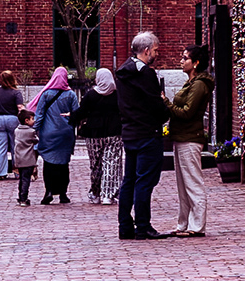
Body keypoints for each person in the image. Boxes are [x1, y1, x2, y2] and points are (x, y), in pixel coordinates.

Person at [114, 31, 167, 239]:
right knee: (145, 181)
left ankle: (125, 225)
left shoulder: (122, 71)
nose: (156, 54)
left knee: (129, 180)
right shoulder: (146, 74)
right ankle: (143, 225)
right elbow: (155, 104)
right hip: (147, 132)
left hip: (130, 132)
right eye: (155, 50)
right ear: (146, 50)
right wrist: (165, 111)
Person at [160, 55, 212, 239]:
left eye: (185, 58)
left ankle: (197, 225)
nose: (181, 61)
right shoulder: (190, 83)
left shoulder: (199, 85)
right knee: (183, 185)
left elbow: (188, 112)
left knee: (193, 182)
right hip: (182, 137)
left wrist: (166, 102)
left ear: (196, 62)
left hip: (190, 138)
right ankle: (184, 223)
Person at [33, 67, 80, 206]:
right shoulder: (71, 94)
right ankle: (63, 193)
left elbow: (39, 114)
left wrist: (34, 130)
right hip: (65, 134)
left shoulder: (46, 94)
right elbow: (76, 114)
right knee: (63, 164)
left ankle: (48, 191)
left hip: (48, 133)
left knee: (49, 163)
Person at [82, 65, 122, 208]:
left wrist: (72, 117)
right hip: (114, 132)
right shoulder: (118, 95)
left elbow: (82, 111)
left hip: (94, 133)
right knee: (112, 163)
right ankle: (108, 195)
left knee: (96, 164)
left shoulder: (90, 95)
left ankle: (96, 192)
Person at [0, 71, 23, 182]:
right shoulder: (16, 93)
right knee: (15, 146)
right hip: (12, 118)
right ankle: (17, 171)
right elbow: (20, 107)